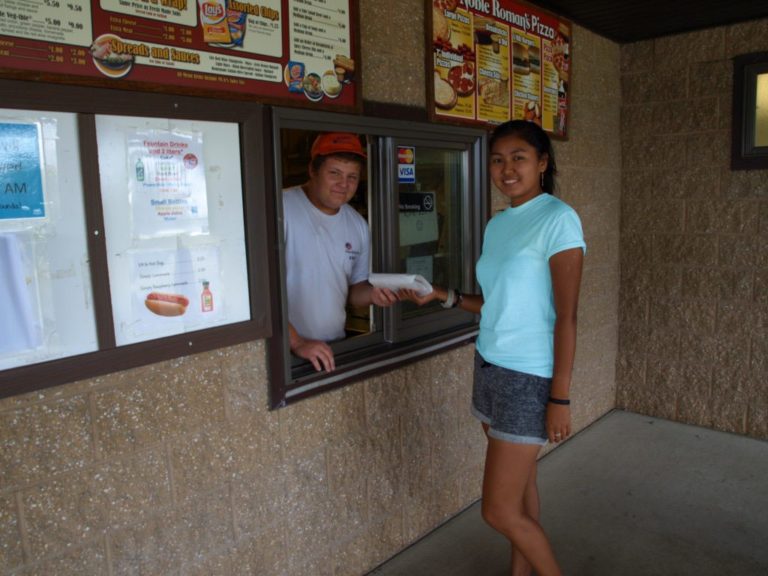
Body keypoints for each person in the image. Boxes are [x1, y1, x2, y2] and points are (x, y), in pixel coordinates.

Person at [401, 120, 585, 576]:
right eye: (498, 160)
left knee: (497, 511)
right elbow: (497, 303)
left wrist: (560, 397)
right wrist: (442, 296)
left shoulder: (558, 219)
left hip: (529, 378)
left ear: (542, 163)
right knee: (520, 491)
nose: (506, 169)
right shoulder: (498, 223)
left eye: (519, 158)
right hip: (489, 365)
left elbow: (567, 317)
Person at [283, 132, 398, 373]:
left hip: (332, 348)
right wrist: (296, 342)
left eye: (352, 177)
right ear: (313, 171)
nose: (343, 184)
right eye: (334, 173)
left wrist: (374, 295)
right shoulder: (281, 208)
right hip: (285, 355)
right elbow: (259, 294)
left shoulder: (358, 225)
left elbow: (354, 291)